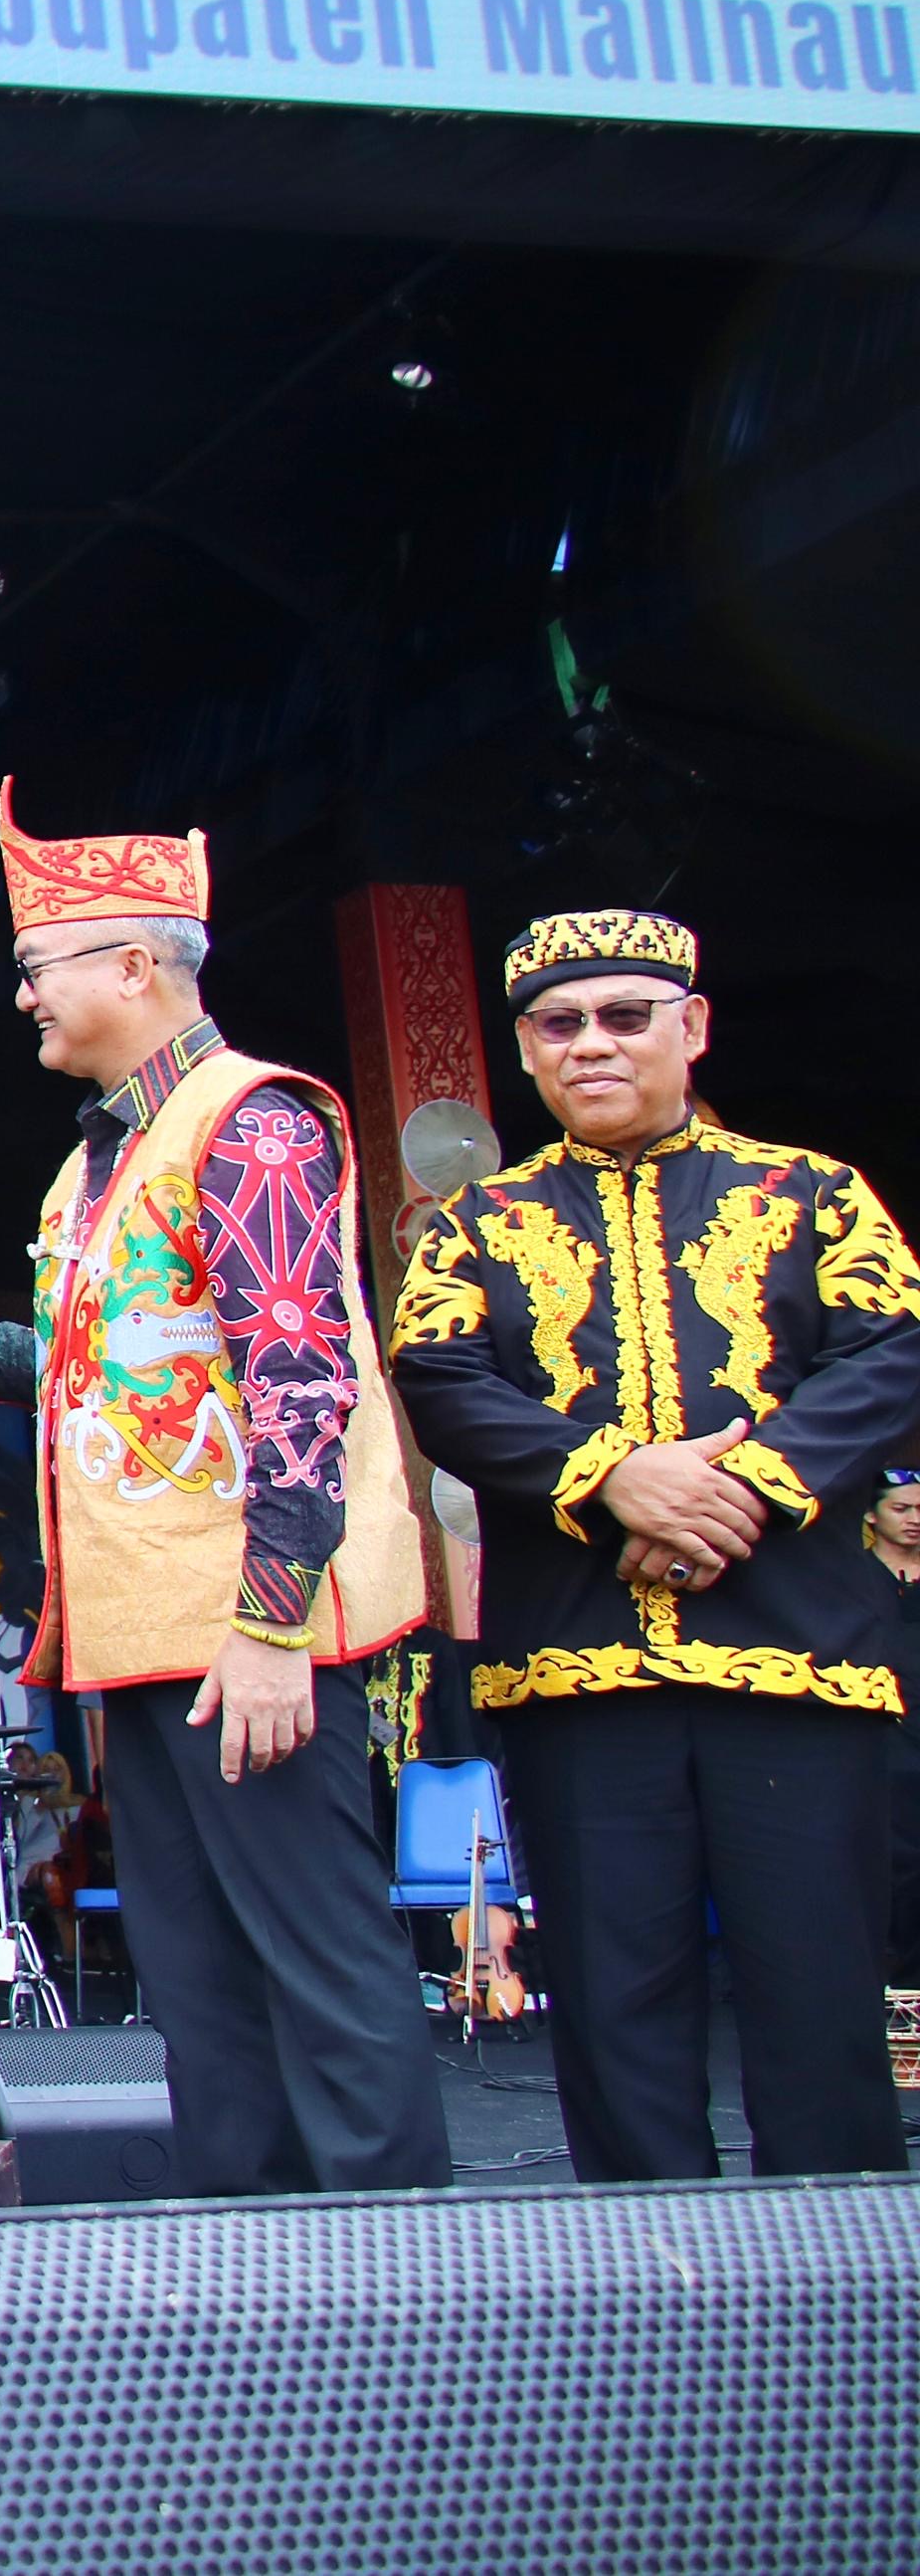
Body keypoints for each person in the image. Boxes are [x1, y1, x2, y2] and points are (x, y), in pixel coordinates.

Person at [0, 784, 445, 2198]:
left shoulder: (254, 1122)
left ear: (134, 965)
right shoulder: (91, 1168)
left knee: (325, 1963)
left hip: (252, 1630)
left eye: (40, 967)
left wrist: (275, 1621)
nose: (23, 998)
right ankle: (254, 2258)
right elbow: (94, 1372)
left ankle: (416, 2284)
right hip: (150, 1634)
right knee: (202, 1980)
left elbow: (301, 1375)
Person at [390, 910, 920, 2182]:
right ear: (522, 1049)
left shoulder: (811, 1191)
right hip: (580, 1671)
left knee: (816, 1994)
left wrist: (738, 1488)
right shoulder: (473, 1224)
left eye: (624, 1015)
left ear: (690, 1026)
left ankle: (843, 2296)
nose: (590, 1044)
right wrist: (613, 1479)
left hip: (797, 1659)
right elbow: (438, 1378)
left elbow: (892, 1347)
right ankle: (649, 2307)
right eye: (557, 1024)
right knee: (613, 2004)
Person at [868, 1471, 920, 1980]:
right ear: (872, 1514)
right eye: (901, 1510)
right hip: (883, 1734)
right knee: (893, 1857)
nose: (914, 1521)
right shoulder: (854, 1577)